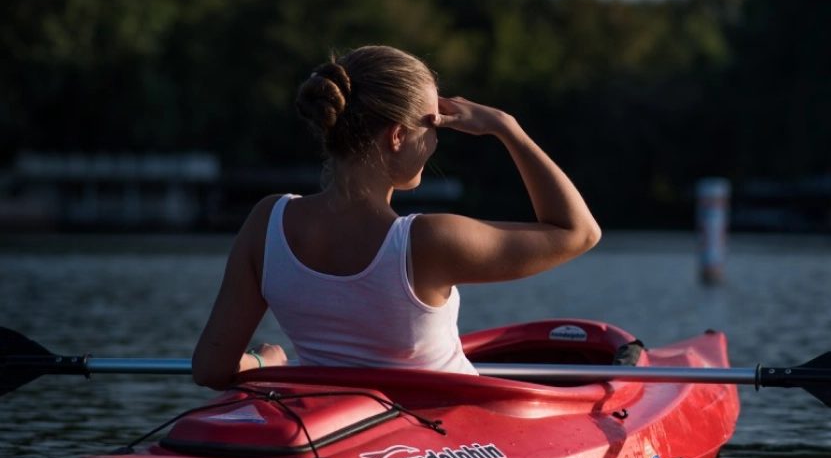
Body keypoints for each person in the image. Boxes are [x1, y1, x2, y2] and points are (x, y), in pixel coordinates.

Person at [192, 45, 601, 390]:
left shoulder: (267, 221)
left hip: (339, 434)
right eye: (433, 123)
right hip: (444, 443)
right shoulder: (428, 241)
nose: (437, 138)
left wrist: (267, 366)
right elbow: (579, 231)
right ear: (398, 136)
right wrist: (507, 128)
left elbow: (212, 368)